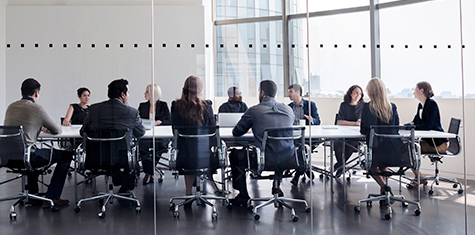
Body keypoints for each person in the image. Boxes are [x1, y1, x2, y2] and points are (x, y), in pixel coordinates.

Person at [4, 78, 73, 207]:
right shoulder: (37, 108)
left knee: (32, 152)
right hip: (28, 156)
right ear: (36, 93)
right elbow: (57, 130)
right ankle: (53, 197)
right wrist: (44, 127)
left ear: (21, 93)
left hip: (8, 156)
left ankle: (33, 195)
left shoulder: (11, 107)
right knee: (66, 155)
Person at [230, 80, 295, 206]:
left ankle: (243, 195)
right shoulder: (288, 110)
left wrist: (253, 126)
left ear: (263, 93)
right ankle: (276, 185)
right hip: (289, 158)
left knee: (235, 154)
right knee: (279, 148)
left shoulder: (254, 110)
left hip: (264, 160)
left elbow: (237, 131)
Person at [80, 78, 145, 193]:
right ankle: (125, 188)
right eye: (128, 93)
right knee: (131, 152)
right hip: (122, 159)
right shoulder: (132, 112)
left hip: (96, 157)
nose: (128, 95)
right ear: (122, 94)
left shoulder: (94, 109)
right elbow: (140, 132)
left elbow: (83, 131)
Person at [171, 75, 215, 199]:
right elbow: (212, 130)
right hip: (204, 154)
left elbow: (175, 130)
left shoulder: (176, 105)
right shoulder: (207, 105)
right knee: (197, 154)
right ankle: (199, 189)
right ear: (200, 89)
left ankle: (188, 191)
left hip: (184, 154)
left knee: (189, 156)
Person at [360, 78, 399, 206]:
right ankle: (385, 192)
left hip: (375, 148)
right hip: (392, 150)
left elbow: (363, 130)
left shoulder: (367, 107)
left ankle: (384, 187)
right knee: (383, 164)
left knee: (371, 165)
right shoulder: (392, 106)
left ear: (371, 92)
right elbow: (396, 127)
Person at [406, 81, 448, 188]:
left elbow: (428, 126)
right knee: (407, 147)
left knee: (408, 149)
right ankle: (420, 177)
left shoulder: (432, 104)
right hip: (429, 142)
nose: (413, 93)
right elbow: (415, 122)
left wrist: (411, 127)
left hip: (438, 144)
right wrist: (403, 126)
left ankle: (419, 178)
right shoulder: (421, 105)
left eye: (415, 90)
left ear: (421, 90)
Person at [138, 84, 171, 185]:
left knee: (159, 145)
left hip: (160, 134)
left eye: (147, 92)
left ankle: (148, 173)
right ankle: (150, 172)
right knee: (143, 146)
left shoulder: (163, 105)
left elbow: (169, 120)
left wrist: (159, 122)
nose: (144, 93)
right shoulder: (142, 106)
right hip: (146, 134)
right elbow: (138, 120)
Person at [288, 83, 320, 185]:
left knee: (302, 148)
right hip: (293, 135)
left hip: (307, 135)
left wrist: (312, 120)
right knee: (301, 150)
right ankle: (305, 168)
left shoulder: (310, 105)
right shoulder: (288, 107)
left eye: (290, 92)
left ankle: (298, 173)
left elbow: (318, 121)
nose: (288, 94)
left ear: (298, 92)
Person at [333, 85, 365, 178]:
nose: (358, 95)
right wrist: (355, 123)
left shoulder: (364, 105)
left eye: (360, 93)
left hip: (356, 134)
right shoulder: (344, 105)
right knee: (337, 143)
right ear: (350, 93)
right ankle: (341, 165)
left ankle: (340, 166)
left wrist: (360, 122)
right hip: (343, 133)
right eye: (356, 92)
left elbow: (365, 120)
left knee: (353, 142)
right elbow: (341, 122)